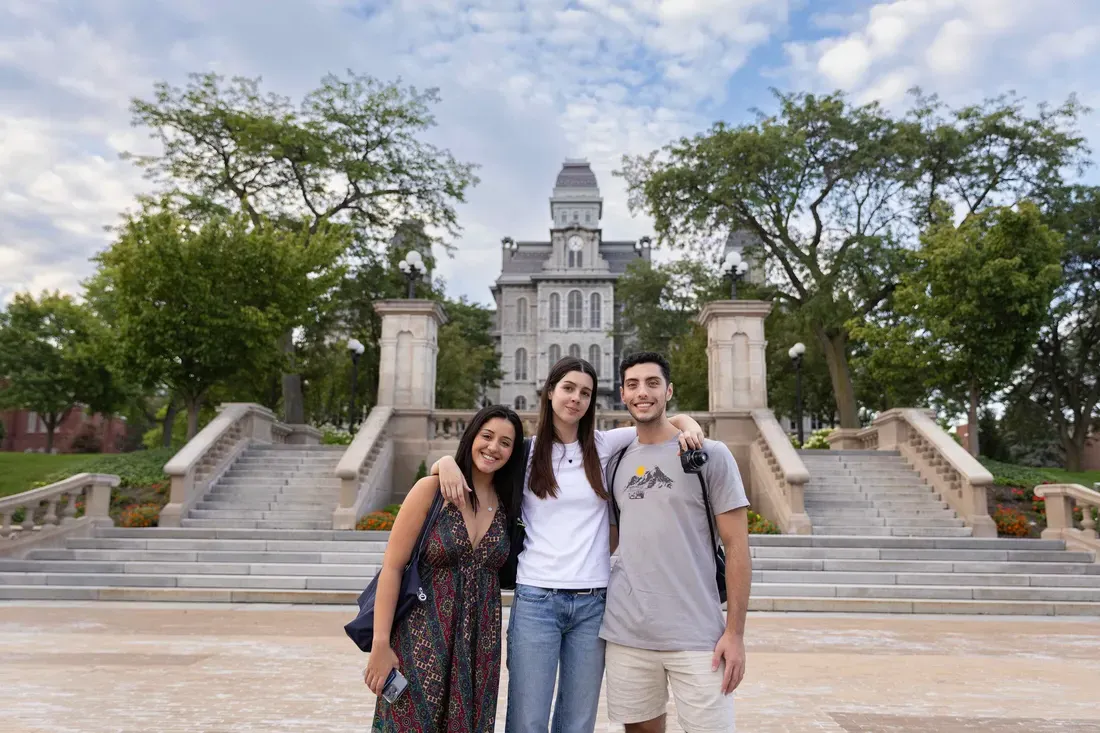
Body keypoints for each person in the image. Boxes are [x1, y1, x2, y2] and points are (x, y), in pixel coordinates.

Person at [433, 356, 705, 733]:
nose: (576, 398)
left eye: (586, 393)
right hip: (536, 601)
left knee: (577, 723)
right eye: (568, 388)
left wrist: (690, 425)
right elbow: (478, 462)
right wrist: (445, 461)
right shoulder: (525, 453)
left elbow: (663, 422)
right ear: (550, 392)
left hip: (592, 605)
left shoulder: (606, 444)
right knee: (528, 721)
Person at [600, 351, 751, 733]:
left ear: (669, 391)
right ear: (622, 394)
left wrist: (734, 634)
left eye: (652, 383)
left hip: (698, 634)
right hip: (628, 632)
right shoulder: (615, 461)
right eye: (633, 385)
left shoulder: (709, 455)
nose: (642, 392)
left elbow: (737, 547)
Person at [365, 404, 526, 732]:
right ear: (472, 437)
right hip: (421, 639)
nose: (494, 447)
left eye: (505, 443)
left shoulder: (509, 503)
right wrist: (381, 644)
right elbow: (393, 567)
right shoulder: (431, 490)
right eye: (487, 436)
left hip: (479, 648)